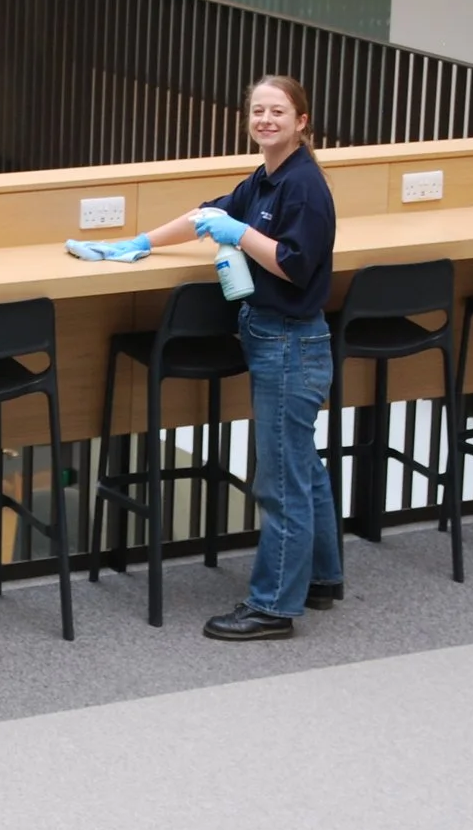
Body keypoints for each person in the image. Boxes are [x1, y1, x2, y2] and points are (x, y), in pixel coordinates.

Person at [81, 75, 343, 641]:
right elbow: (208, 215)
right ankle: (320, 577)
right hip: (274, 338)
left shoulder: (303, 187)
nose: (266, 120)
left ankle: (273, 607)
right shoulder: (267, 178)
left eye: (278, 112)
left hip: (290, 342)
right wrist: (139, 243)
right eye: (257, 111)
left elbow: (293, 264)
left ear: (302, 123)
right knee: (301, 466)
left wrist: (240, 233)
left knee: (282, 479)